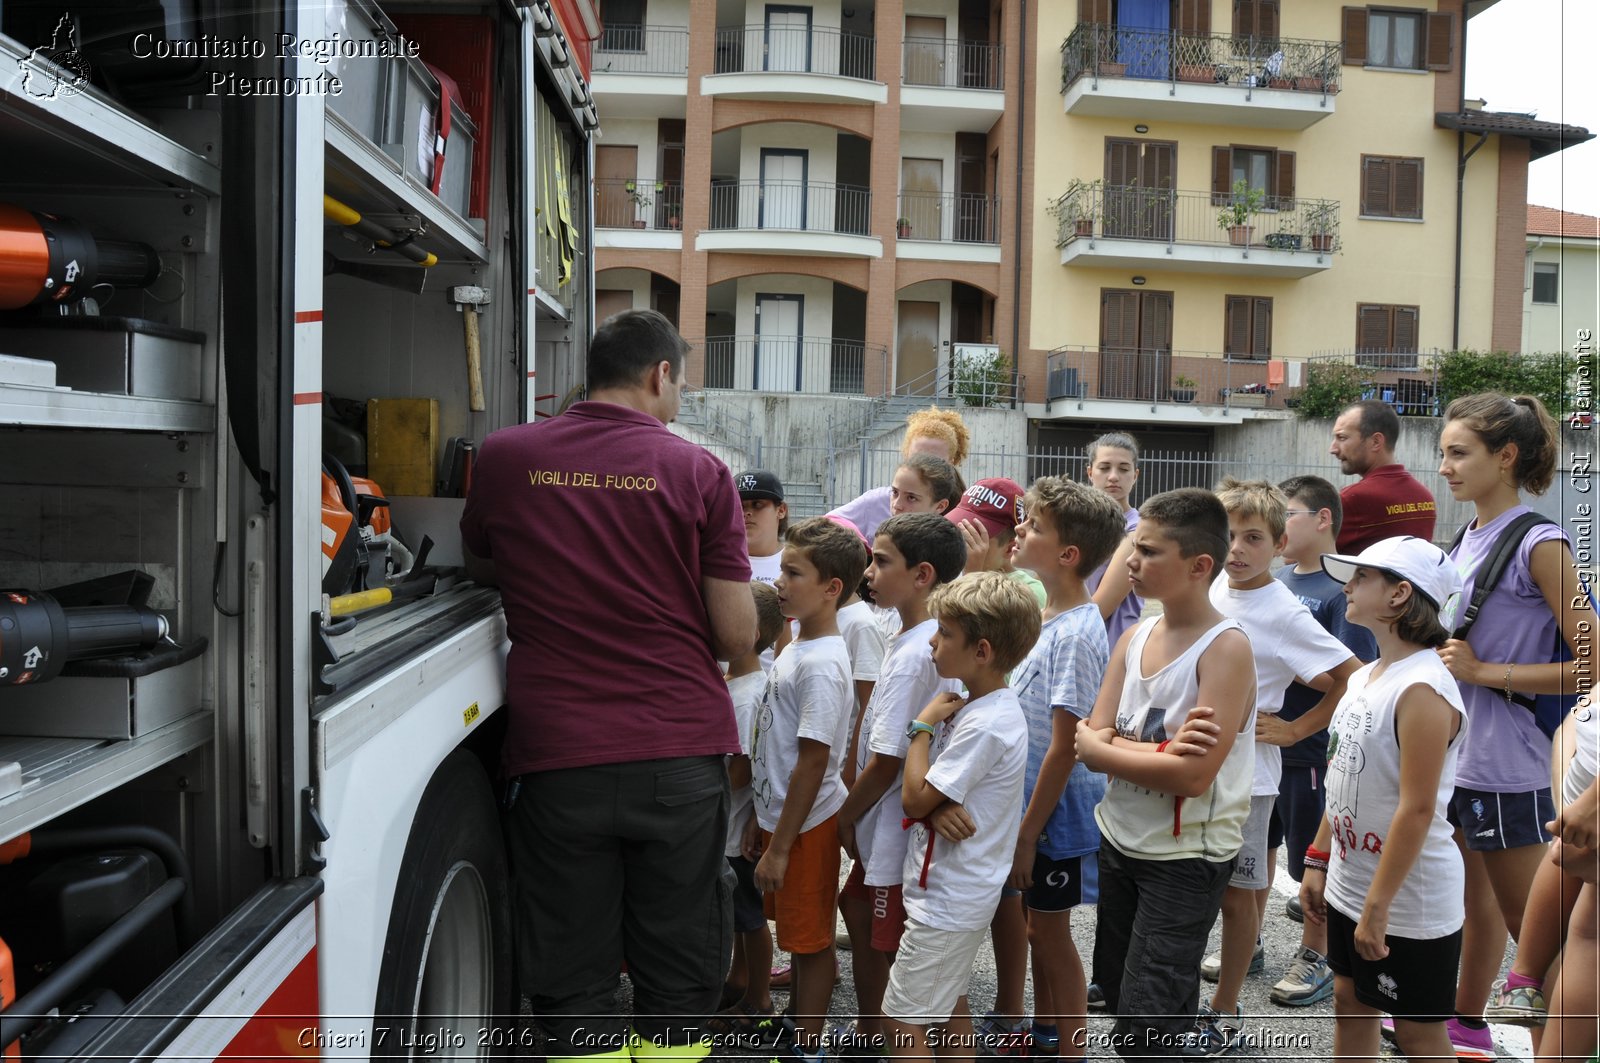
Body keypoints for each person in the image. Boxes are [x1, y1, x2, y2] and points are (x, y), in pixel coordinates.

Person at [461, 308, 756, 1063]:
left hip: (557, 756)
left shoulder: (503, 455)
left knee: (571, 970)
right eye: (681, 384)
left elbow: (483, 565)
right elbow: (735, 636)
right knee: (681, 963)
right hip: (677, 752)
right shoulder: (699, 471)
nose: (679, 399)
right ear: (660, 374)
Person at [1431, 392, 1596, 1060]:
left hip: (1512, 762)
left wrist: (1485, 670)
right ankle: (1466, 1026)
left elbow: (1592, 664)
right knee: (1475, 909)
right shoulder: (1466, 535)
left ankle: (1558, 1050)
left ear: (1506, 457)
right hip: (1466, 758)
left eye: (1458, 452)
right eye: (1442, 452)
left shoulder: (1539, 541)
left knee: (1538, 935)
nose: (1444, 466)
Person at [1074, 488, 1256, 1062]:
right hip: (1121, 836)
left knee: (1145, 1024)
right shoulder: (1135, 635)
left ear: (1200, 566)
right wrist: (1154, 754)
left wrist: (1107, 751)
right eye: (1133, 547)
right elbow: (1088, 734)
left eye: (1149, 552)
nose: (1131, 562)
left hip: (1183, 859)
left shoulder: (1224, 650)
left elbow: (1192, 778)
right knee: (1132, 1000)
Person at [1194, 479, 1359, 1055]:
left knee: (1240, 895)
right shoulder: (1208, 585)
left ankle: (1225, 1007)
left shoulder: (1285, 611)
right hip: (1187, 763)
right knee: (1186, 886)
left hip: (1248, 776)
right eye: (1229, 535)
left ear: (1280, 542)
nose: (1237, 549)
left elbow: (1349, 678)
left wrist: (1295, 729)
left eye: (1253, 538)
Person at [1300, 535, 1469, 1063]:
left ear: (1400, 595)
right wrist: (1318, 857)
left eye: (1362, 578)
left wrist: (1378, 908)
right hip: (1355, 884)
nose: (1348, 586)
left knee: (1418, 1036)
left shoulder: (1422, 688)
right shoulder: (1366, 677)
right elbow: (1343, 778)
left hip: (1407, 900)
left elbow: (1417, 808)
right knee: (1350, 1006)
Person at [884, 572, 1037, 1063]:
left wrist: (922, 728)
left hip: (949, 899)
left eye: (945, 633)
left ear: (983, 651)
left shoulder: (985, 722)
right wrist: (939, 805)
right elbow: (938, 798)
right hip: (957, 892)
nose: (933, 641)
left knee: (902, 1020)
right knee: (951, 1007)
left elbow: (914, 800)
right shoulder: (980, 707)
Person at [1000, 478, 1125, 1062]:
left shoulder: (1075, 633)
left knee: (1050, 935)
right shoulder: (1045, 614)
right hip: (1032, 810)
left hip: (1053, 818)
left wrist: (1027, 835)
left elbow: (1065, 746)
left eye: (1033, 525)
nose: (1020, 530)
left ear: (1069, 555)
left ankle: (1070, 1051)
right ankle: (1047, 1036)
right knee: (1035, 930)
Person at [835, 513, 967, 1056]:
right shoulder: (912, 635)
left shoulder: (918, 652)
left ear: (922, 575)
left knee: (896, 948)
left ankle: (890, 1040)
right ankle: (876, 1034)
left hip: (894, 826)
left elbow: (888, 759)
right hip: (889, 825)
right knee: (864, 915)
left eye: (882, 561)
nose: (869, 572)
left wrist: (845, 814)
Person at [746, 516, 870, 1062]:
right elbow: (776, 749)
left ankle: (807, 1046)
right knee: (796, 937)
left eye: (792, 573)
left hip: (807, 827)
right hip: (784, 822)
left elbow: (815, 761)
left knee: (810, 940)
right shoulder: (797, 645)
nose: (779, 581)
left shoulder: (821, 663)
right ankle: (800, 1024)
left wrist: (780, 845)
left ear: (832, 588)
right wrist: (761, 816)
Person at [1264, 476, 1378, 1009]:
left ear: (1323, 519)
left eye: (1289, 513)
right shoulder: (1279, 580)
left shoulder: (1340, 591)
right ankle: (1253, 942)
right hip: (1265, 751)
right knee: (1256, 849)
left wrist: (1295, 730)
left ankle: (1315, 954)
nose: (1279, 525)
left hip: (1309, 753)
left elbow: (1352, 681)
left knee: (1310, 861)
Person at [1484, 693, 1597, 1049]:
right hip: (1584, 767)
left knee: (1590, 936)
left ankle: (1523, 980)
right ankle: (1523, 980)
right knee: (1589, 936)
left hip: (1586, 771)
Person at [711, 582, 788, 1044]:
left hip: (733, 830)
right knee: (741, 917)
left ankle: (759, 998)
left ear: (750, 630)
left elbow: (739, 771)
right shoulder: (742, 684)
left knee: (749, 918)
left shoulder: (745, 696)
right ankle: (740, 982)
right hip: (735, 826)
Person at [831, 407, 972, 542]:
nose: (897, 505)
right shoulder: (877, 501)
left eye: (934, 460)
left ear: (952, 462)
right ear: (906, 456)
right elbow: (826, 525)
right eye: (916, 458)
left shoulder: (965, 515)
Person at [1328, 400, 1437, 553]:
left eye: (1342, 438)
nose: (1332, 449)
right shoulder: (1425, 497)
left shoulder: (1352, 499)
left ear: (1376, 442)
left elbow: (1306, 555)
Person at [1084, 432, 1146, 646]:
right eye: (1104, 467)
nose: (1113, 477)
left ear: (1135, 475)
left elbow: (1099, 608)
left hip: (1111, 649)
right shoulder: (1073, 523)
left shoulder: (1138, 530)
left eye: (1123, 469)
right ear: (1090, 472)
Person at [947, 477, 1046, 608]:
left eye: (975, 538)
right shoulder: (950, 572)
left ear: (1010, 548)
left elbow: (964, 626)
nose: (962, 543)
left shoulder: (1028, 593)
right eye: (959, 531)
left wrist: (972, 577)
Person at [739, 469, 788, 585]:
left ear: (781, 510)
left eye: (757, 504)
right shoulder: (718, 561)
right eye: (739, 506)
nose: (746, 513)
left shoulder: (800, 563)